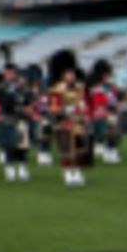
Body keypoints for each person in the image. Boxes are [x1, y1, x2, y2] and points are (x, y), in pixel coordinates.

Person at [48, 50, 90, 187]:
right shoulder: (57, 89)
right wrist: (65, 110)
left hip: (78, 122)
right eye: (68, 73)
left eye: (72, 73)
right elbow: (53, 108)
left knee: (80, 151)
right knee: (67, 151)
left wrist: (84, 112)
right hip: (64, 124)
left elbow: (84, 102)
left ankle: (78, 173)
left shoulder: (79, 87)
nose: (71, 76)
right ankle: (67, 174)